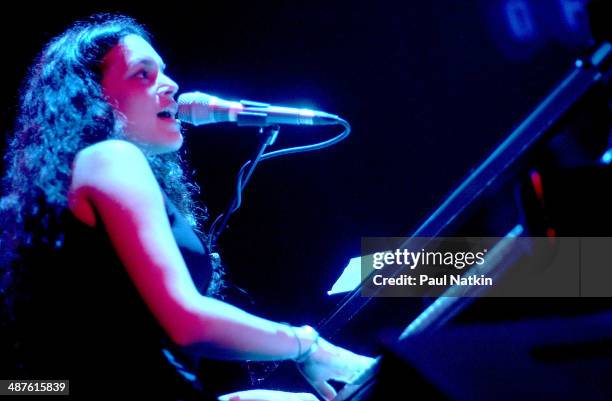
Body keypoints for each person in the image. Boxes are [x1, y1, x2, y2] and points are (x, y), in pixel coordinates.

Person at [0, 13, 373, 400]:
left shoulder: (92, 175)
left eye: (162, 70)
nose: (171, 84)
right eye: (142, 74)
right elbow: (187, 321)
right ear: (93, 98)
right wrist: (307, 345)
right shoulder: (110, 158)